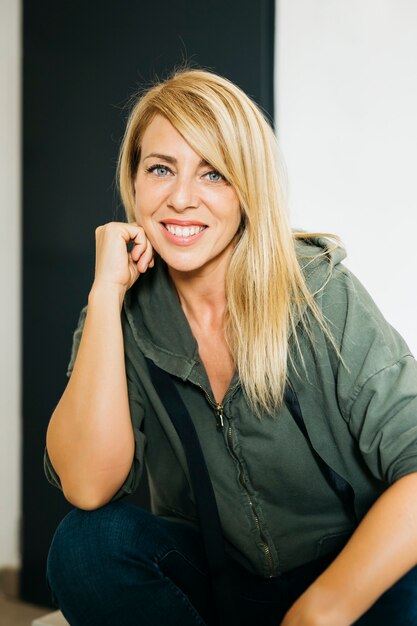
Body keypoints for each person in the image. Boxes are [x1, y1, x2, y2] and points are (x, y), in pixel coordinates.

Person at [45, 68, 417, 626]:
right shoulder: (121, 309)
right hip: (226, 583)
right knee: (86, 546)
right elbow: (88, 484)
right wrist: (104, 297)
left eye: (214, 174)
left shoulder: (319, 291)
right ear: (134, 181)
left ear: (248, 187)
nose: (181, 199)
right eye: (161, 169)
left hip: (350, 584)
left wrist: (321, 610)